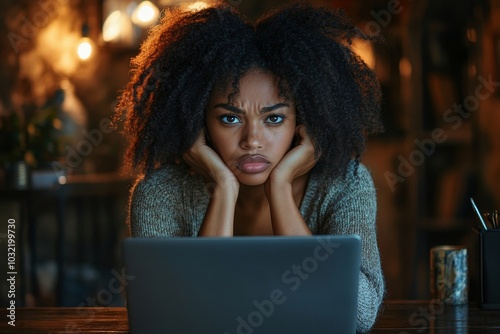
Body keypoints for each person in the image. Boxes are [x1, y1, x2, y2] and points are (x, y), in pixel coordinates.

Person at [114, 1, 385, 332]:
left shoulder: (346, 184)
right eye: (230, 118)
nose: (253, 140)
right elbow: (172, 317)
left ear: (304, 121)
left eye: (274, 118)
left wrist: (281, 189)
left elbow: (361, 314)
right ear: (199, 122)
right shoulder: (160, 194)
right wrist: (223, 188)